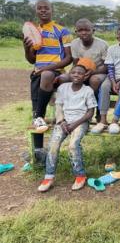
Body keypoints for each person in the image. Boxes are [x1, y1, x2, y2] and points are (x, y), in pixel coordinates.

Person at [23, 0, 73, 159]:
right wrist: (26, 48)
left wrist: (47, 68)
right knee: (37, 112)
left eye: (46, 8)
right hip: (38, 74)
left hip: (56, 72)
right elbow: (32, 60)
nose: (43, 11)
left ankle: (39, 114)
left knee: (46, 75)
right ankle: (38, 151)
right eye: (40, 8)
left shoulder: (62, 31)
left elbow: (68, 58)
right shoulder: (32, 31)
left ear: (52, 10)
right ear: (36, 11)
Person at [37, 64, 97, 192]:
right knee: (53, 145)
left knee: (73, 145)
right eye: (74, 72)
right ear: (70, 74)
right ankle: (49, 176)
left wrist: (75, 124)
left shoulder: (88, 90)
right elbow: (58, 107)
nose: (76, 75)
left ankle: (80, 175)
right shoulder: (63, 88)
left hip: (81, 122)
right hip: (63, 122)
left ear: (85, 76)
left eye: (80, 73)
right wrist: (62, 121)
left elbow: (90, 113)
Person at [91, 26, 120, 134]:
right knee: (104, 87)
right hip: (112, 77)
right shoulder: (112, 49)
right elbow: (110, 67)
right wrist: (114, 82)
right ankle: (103, 120)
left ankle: (115, 121)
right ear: (117, 37)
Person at [69, 18, 109, 93]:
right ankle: (72, 101)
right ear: (76, 32)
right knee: (64, 78)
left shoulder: (102, 44)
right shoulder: (74, 43)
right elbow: (75, 63)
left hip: (99, 72)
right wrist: (74, 73)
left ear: (93, 31)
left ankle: (93, 102)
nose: (84, 33)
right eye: (80, 30)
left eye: (87, 30)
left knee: (94, 80)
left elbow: (106, 67)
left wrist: (92, 72)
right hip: (82, 72)